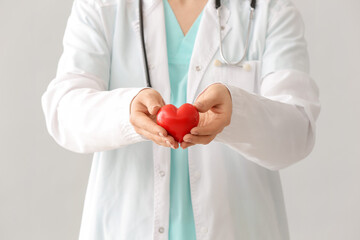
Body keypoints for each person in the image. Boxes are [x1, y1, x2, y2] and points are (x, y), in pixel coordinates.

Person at [41, 0, 321, 239]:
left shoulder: (267, 10)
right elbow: (63, 109)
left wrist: (238, 113)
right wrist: (126, 111)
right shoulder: (102, 5)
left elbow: (298, 132)